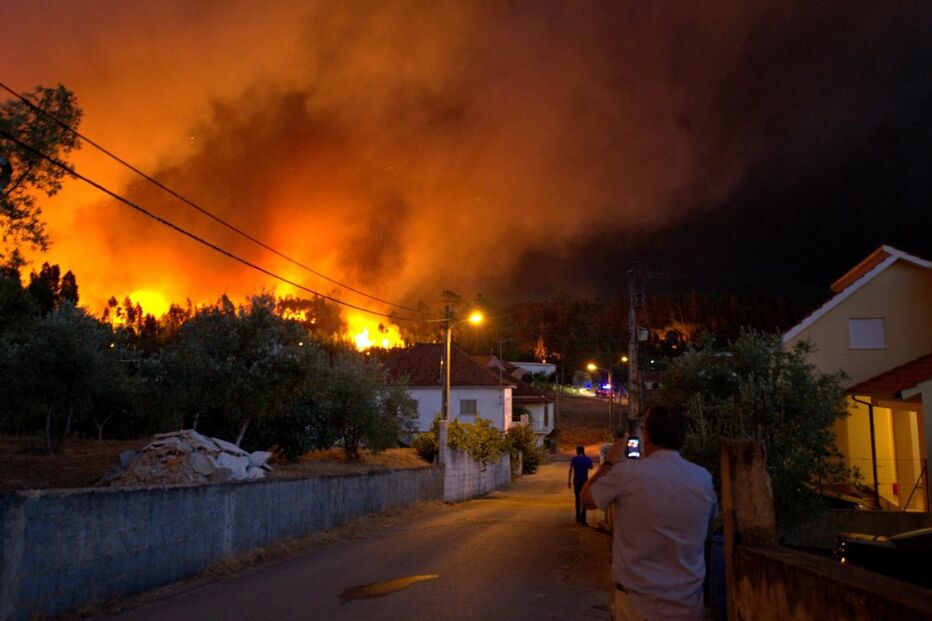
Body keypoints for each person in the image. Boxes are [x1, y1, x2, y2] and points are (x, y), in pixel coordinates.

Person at [581, 405, 717, 621]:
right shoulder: (703, 478)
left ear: (647, 435)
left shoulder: (627, 474)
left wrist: (609, 462)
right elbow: (708, 528)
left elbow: (587, 500)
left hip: (638, 603)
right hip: (688, 603)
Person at [568, 445, 593, 524]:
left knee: (577, 499)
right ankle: (583, 518)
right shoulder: (587, 459)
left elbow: (570, 470)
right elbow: (591, 467)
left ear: (577, 451)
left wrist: (569, 481)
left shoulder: (574, 459)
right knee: (584, 499)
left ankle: (578, 516)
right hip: (585, 482)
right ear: (583, 451)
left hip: (576, 481)